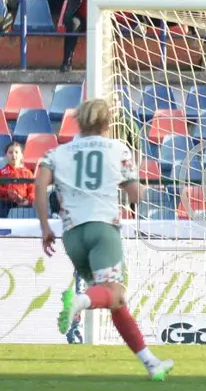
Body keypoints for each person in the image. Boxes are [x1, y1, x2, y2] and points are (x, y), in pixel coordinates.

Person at [38, 100, 175, 381]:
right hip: (103, 230)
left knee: (115, 302)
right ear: (107, 123)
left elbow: (39, 186)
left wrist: (44, 228)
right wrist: (142, 184)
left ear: (78, 121)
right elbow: (136, 195)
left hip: (73, 234)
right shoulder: (118, 149)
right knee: (112, 292)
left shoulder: (57, 152)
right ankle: (79, 301)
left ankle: (151, 364)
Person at [61, 0, 117, 72]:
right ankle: (67, 62)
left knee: (105, 26)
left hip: (100, 16)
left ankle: (107, 64)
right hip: (80, 15)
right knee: (73, 24)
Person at [0, 140, 33, 217]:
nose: (13, 155)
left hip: (24, 205)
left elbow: (33, 190)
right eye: (10, 152)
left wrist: (28, 201)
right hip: (5, 205)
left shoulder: (28, 173)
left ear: (21, 155)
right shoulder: (1, 172)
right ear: (6, 156)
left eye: (16, 152)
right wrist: (7, 192)